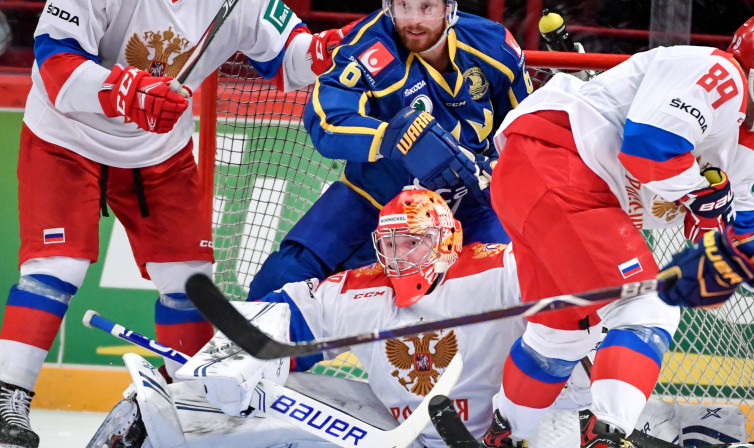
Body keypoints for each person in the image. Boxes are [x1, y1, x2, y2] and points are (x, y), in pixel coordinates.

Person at [0, 2, 347, 446]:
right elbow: (56, 63)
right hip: (65, 138)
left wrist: (327, 51)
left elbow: (291, 61)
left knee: (191, 283)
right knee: (57, 268)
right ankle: (10, 394)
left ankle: (183, 406)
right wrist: (130, 92)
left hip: (158, 153)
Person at [480, 11, 754, 448]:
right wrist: (699, 194)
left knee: (562, 333)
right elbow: (649, 146)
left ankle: (504, 435)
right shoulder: (720, 73)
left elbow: (738, 229)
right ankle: (608, 437)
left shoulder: (749, 141)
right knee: (649, 304)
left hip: (539, 183)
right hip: (562, 167)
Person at [91, 188, 530, 448]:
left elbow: (567, 315)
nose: (398, 258)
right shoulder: (362, 290)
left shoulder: (497, 270)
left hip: (507, 434)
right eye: (389, 244)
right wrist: (236, 361)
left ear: (445, 242)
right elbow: (283, 316)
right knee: (257, 393)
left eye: (412, 242)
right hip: (399, 433)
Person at [246, 0, 535, 300]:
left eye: (426, 8)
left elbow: (526, 131)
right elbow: (325, 119)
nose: (413, 20)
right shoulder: (366, 45)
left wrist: (499, 169)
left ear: (450, 7)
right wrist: (390, 138)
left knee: (511, 283)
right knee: (279, 278)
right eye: (403, 6)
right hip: (376, 200)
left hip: (469, 206)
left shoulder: (493, 46)